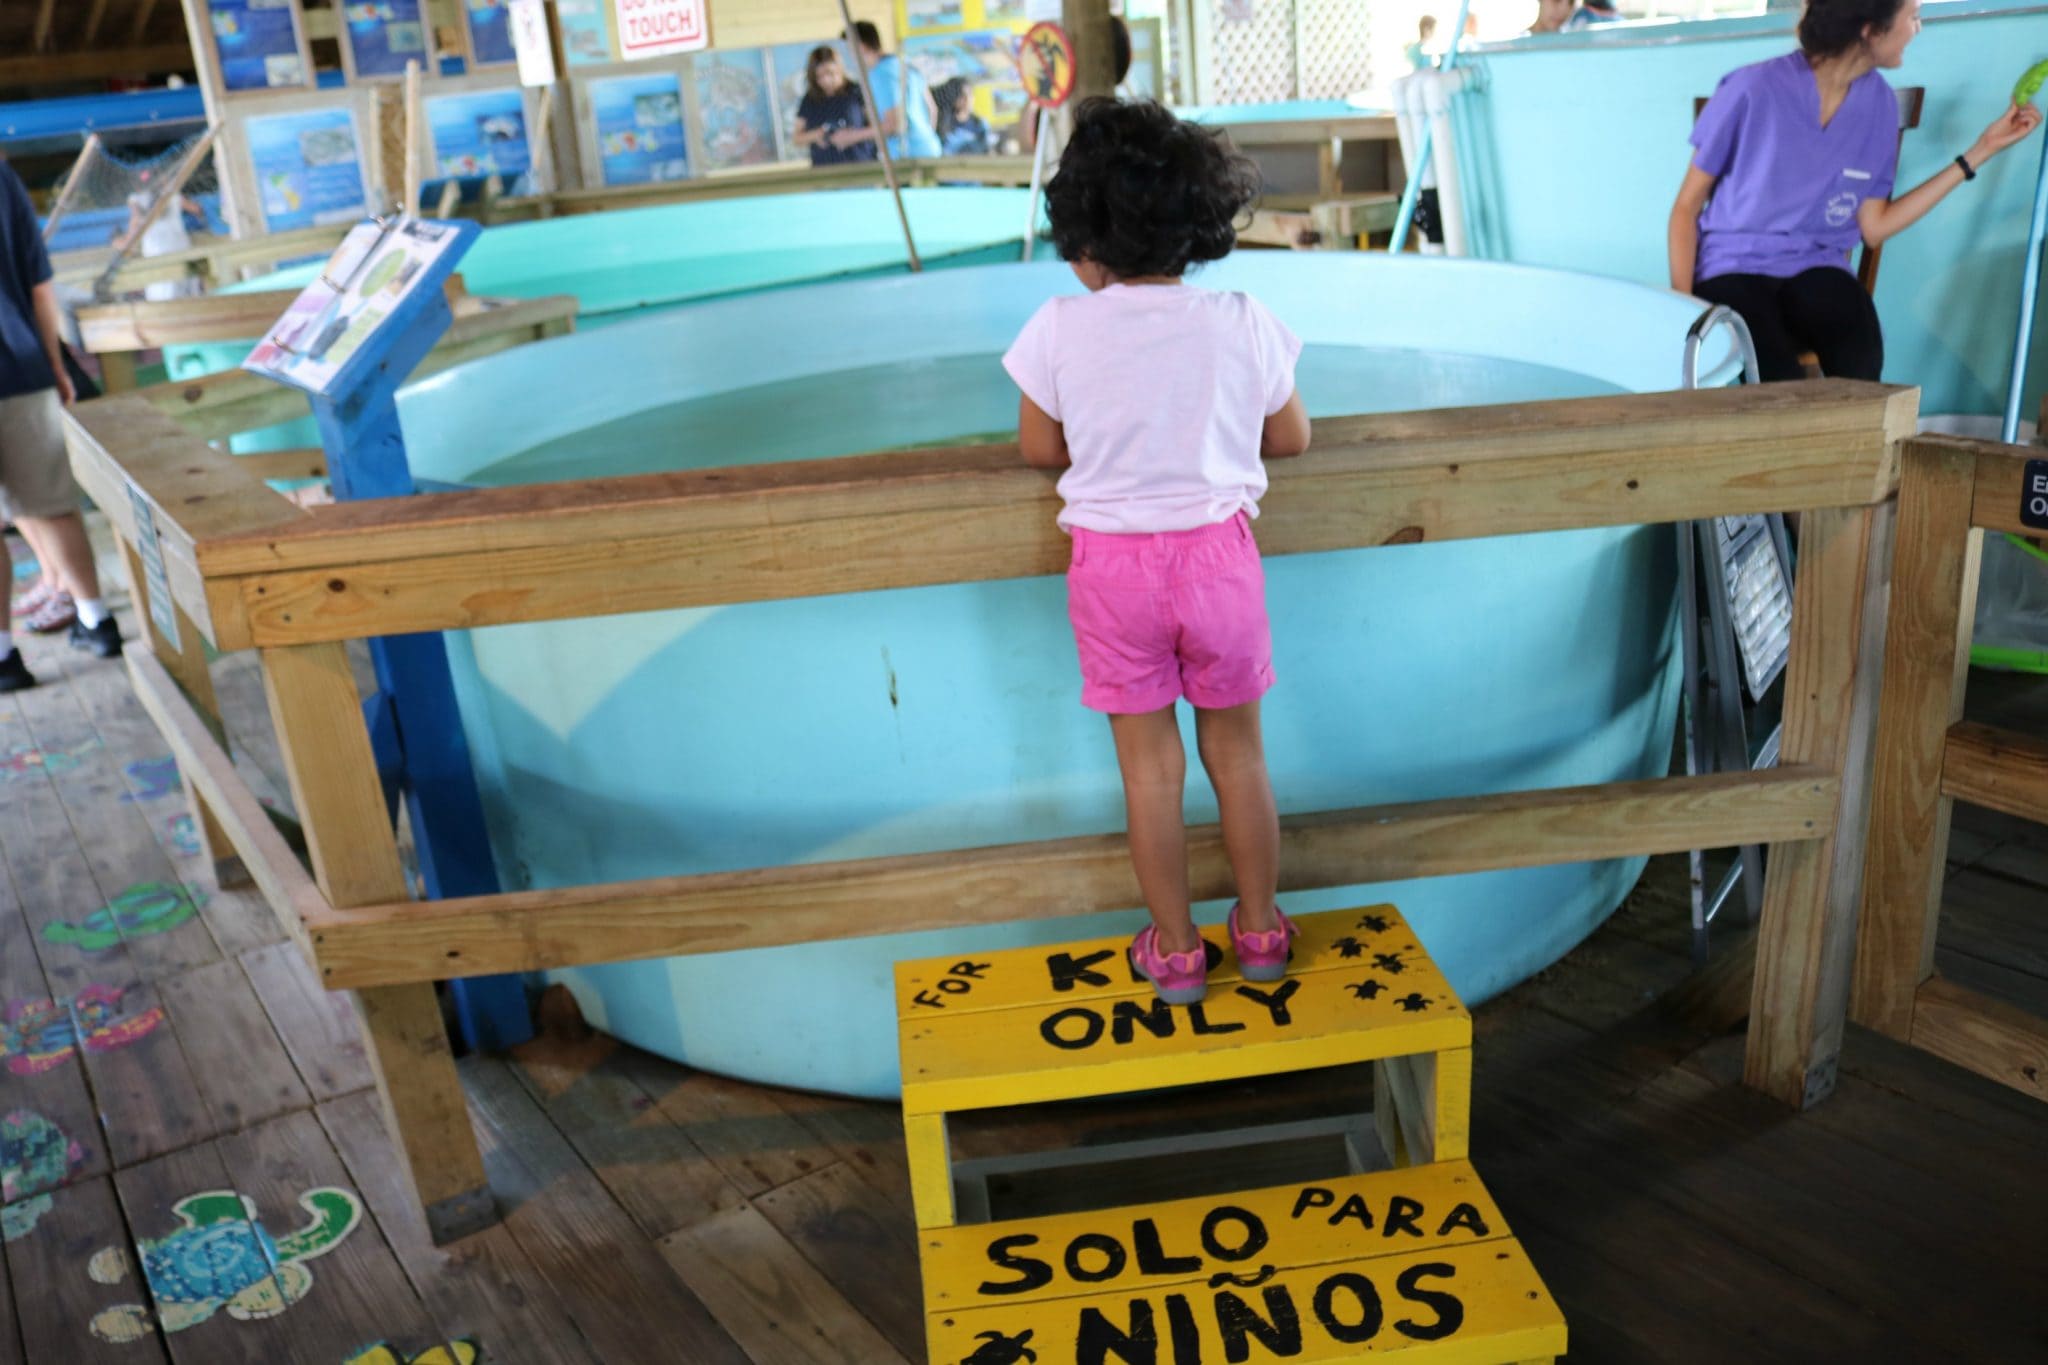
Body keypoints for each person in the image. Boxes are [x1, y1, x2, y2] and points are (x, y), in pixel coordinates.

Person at [1002, 100, 1313, 1005]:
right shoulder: (1241, 315)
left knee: (1150, 772)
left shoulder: (1057, 327)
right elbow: (1290, 436)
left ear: (1083, 235)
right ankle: (1259, 929)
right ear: (1196, 222)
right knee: (1242, 757)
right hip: (1219, 562)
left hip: (1113, 572)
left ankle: (1175, 952)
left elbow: (1038, 449)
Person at [1669, 0, 2042, 382]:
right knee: (1776, 377)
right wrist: (1682, 312)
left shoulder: (1878, 103)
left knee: (1858, 349)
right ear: (1870, 30)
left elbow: (1875, 226)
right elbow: (1686, 208)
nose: (1918, 29)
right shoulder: (1751, 88)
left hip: (1814, 264)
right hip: (1733, 266)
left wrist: (1981, 151)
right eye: (1912, 18)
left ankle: (1860, 440)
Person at [0, 159, 122, 692]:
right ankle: (97, 621)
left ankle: (5, 659)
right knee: (50, 503)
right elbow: (40, 286)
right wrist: (54, 364)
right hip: (22, 369)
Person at [849, 20, 941, 161]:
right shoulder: (906, 65)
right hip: (930, 149)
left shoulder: (880, 74)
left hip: (907, 158)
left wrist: (851, 137)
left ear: (861, 46)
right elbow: (932, 110)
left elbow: (894, 124)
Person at [791, 45, 876, 167]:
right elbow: (796, 138)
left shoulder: (856, 92)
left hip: (860, 166)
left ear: (839, 69)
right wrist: (816, 135)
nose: (826, 80)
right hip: (825, 170)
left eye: (830, 73)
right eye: (819, 77)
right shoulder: (810, 99)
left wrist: (853, 136)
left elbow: (877, 128)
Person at [934, 78, 994, 156]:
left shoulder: (980, 124)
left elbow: (988, 150)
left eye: (970, 94)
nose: (968, 99)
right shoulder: (942, 124)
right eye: (962, 95)